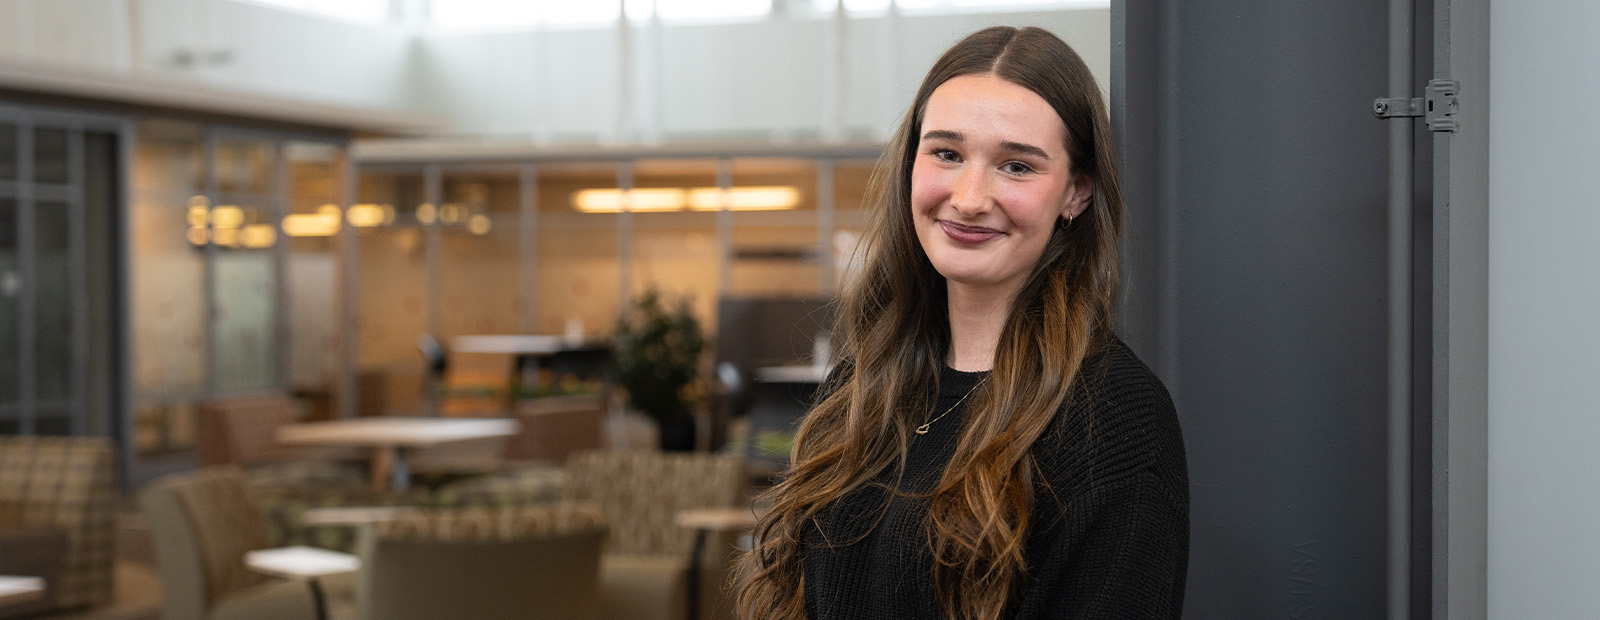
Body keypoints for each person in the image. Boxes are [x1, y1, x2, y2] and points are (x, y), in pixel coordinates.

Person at [734, 26, 1189, 620]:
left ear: (1076, 192)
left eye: (1016, 166)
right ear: (911, 164)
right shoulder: (866, 381)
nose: (970, 197)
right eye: (947, 153)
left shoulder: (1113, 418)